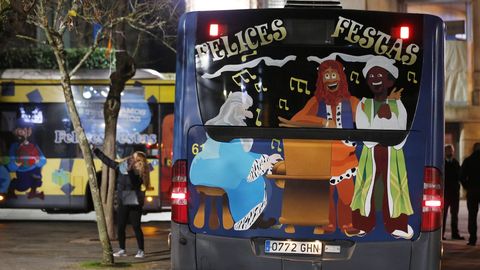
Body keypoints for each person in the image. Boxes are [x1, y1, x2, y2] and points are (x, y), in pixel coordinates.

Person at [351, 55, 414, 239]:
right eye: (371, 76)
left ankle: (397, 225)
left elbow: (400, 132)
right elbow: (365, 133)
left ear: (388, 81)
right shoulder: (363, 104)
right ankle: (362, 224)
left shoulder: (399, 105)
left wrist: (388, 112)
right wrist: (382, 113)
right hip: (370, 153)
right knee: (365, 186)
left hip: (393, 154)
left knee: (395, 188)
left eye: (379, 75)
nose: (375, 79)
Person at [93, 147, 151, 257]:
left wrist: (130, 170)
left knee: (136, 226)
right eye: (132, 157)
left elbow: (134, 182)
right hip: (122, 199)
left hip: (133, 200)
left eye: (134, 158)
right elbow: (109, 162)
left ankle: (141, 250)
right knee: (120, 226)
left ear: (138, 161)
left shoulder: (139, 171)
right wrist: (97, 152)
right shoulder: (122, 167)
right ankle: (122, 249)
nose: (131, 159)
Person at [443, 144, 464, 240]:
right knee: (443, 215)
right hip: (445, 193)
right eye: (448, 151)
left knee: (454, 215)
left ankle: (455, 234)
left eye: (451, 151)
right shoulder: (442, 163)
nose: (450, 152)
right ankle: (441, 234)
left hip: (454, 193)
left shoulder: (456, 163)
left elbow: (460, 177)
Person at [460, 142, 480, 246]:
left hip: (472, 191)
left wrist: (467, 186)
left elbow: (462, 176)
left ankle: (472, 239)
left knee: (472, 215)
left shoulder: (468, 160)